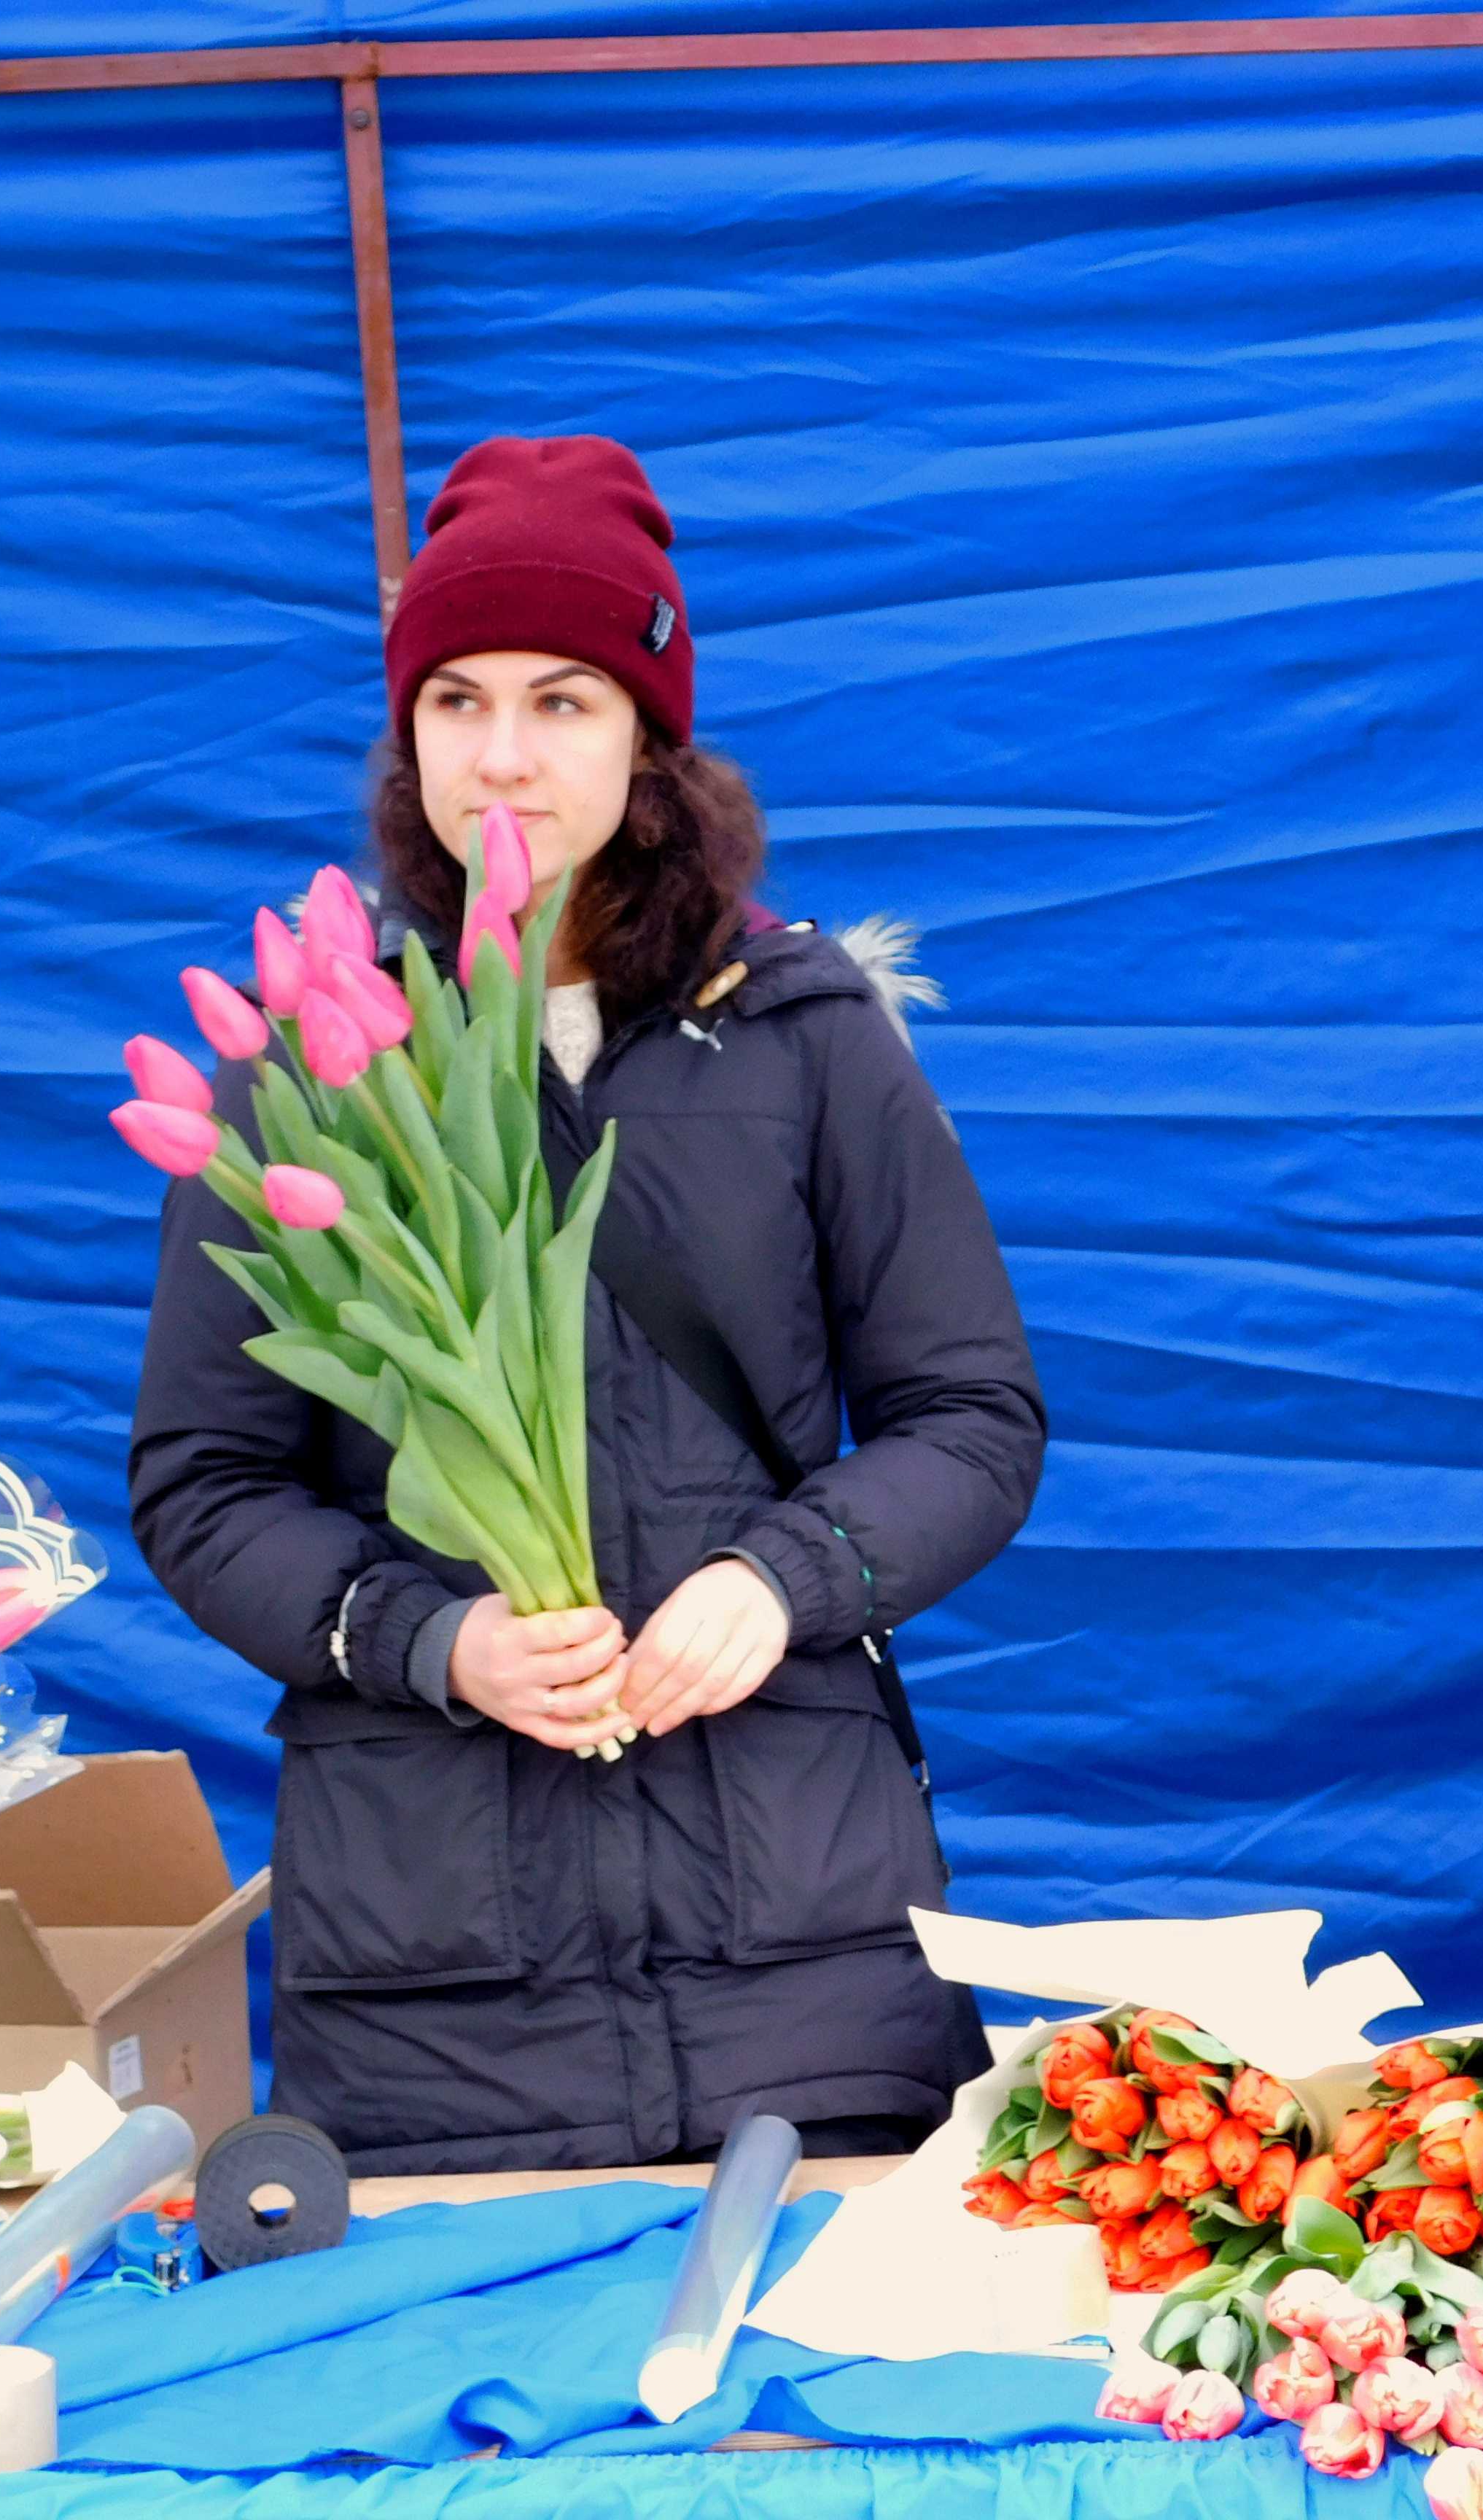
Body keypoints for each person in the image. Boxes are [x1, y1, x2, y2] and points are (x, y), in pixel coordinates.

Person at [133, 435, 1043, 2169]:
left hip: (806, 1960)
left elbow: (971, 1419)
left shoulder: (804, 1032)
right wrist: (431, 1637)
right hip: (434, 2001)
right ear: (408, 736)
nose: (505, 758)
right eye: (458, 700)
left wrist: (778, 1585)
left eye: (565, 702)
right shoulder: (309, 1079)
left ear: (651, 737)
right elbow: (204, 1483)